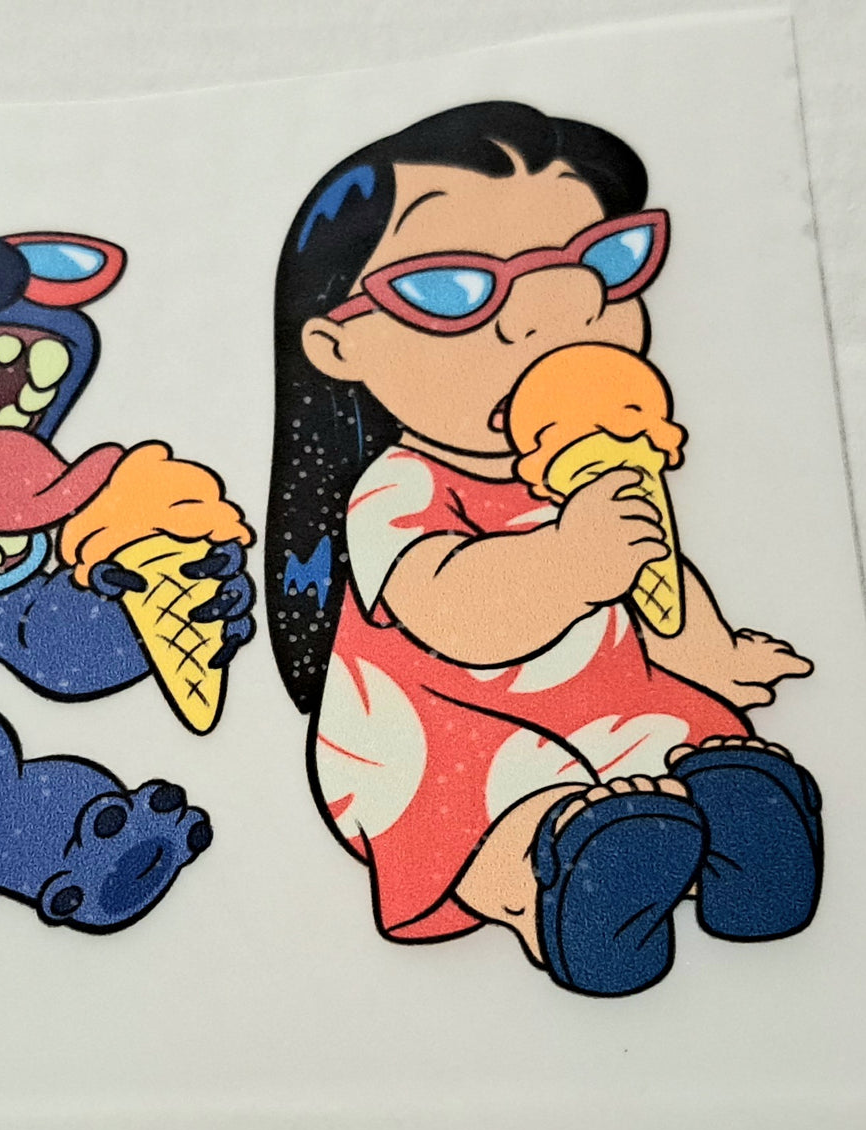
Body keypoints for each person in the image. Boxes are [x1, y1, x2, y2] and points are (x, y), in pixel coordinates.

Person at [265, 101, 823, 996]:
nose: (546, 320)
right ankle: (554, 889)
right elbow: (452, 613)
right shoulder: (400, 487)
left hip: (599, 695)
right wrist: (570, 562)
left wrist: (710, 652)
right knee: (518, 789)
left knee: (686, 739)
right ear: (337, 344)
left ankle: (736, 849)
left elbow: (658, 576)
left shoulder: (586, 461)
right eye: (451, 288)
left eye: (597, 264)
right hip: (440, 729)